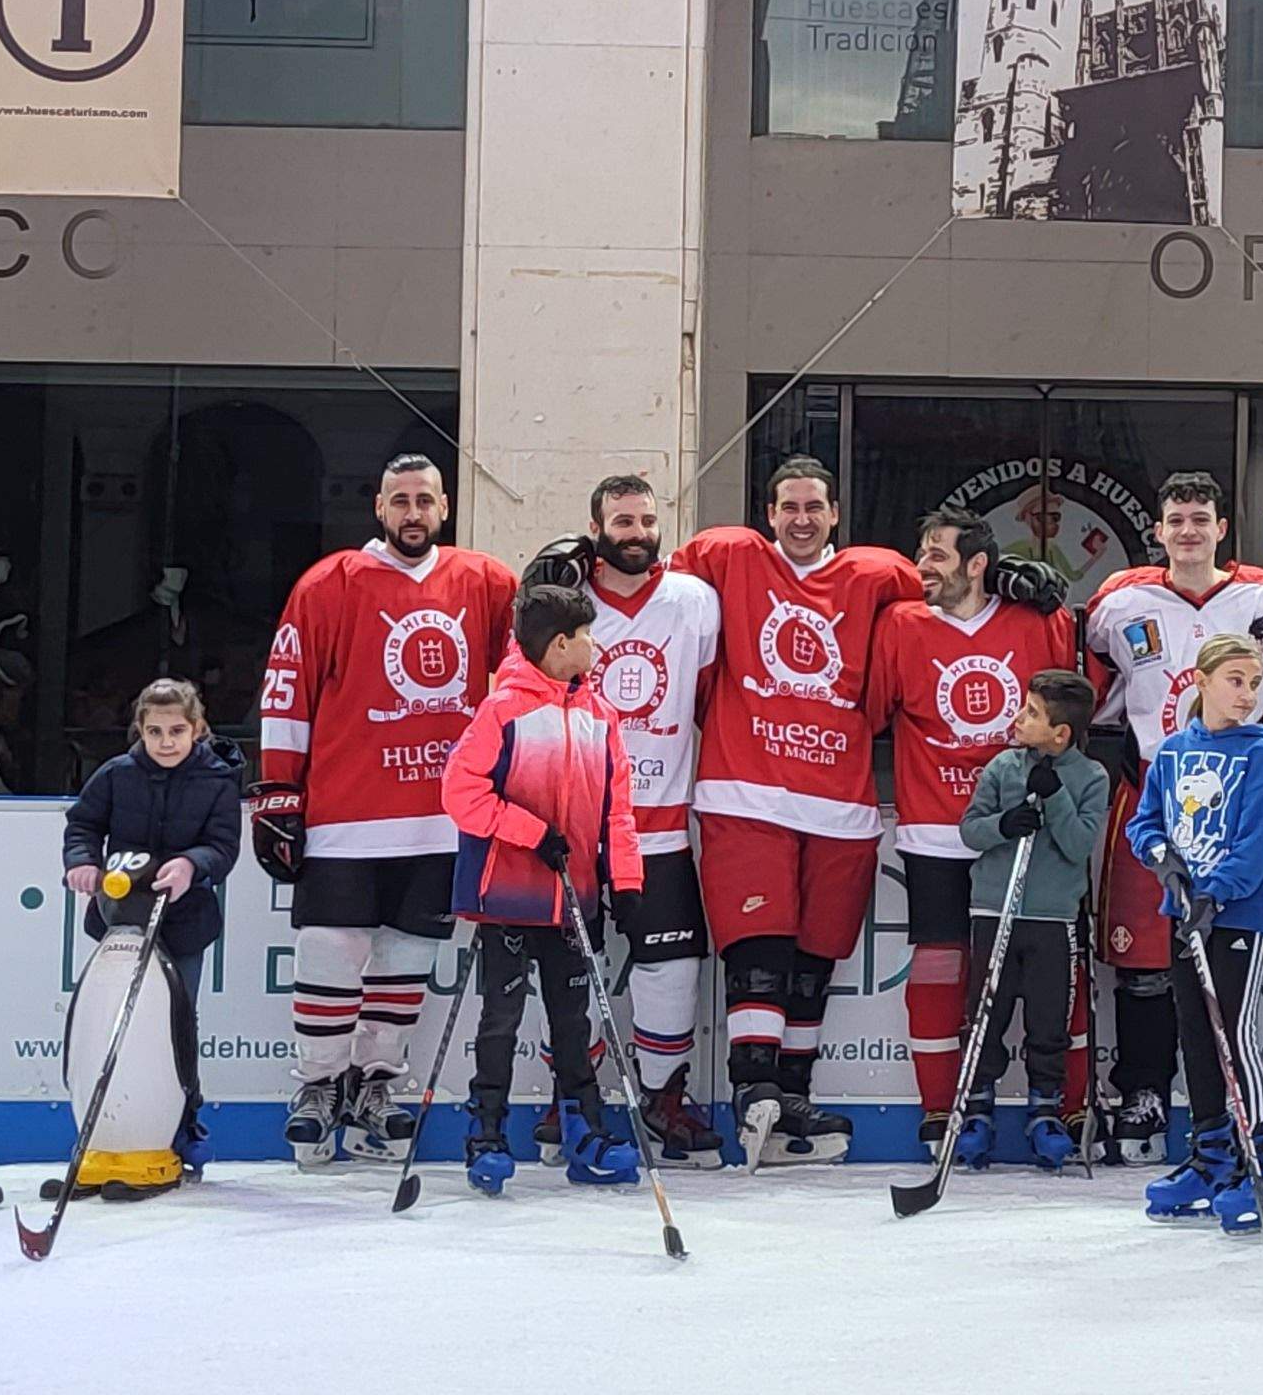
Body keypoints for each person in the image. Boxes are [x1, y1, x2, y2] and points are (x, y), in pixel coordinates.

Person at [651, 455, 1060, 1162]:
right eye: (789, 507)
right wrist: (583, 563)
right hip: (746, 789)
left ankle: (790, 1096)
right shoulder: (730, 554)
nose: (802, 519)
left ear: (836, 514)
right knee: (763, 949)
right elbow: (657, 587)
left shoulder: (878, 574)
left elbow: (949, 587)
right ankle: (754, 1090)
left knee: (815, 957)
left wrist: (1015, 579)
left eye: (815, 507)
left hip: (841, 804)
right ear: (769, 513)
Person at [252, 453, 520, 1167]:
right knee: (330, 954)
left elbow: (527, 667)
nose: (412, 513)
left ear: (444, 506)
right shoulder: (329, 582)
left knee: (406, 959)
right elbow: (288, 687)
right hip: (345, 815)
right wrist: (280, 789)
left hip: (440, 818)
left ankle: (375, 1085)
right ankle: (317, 1086)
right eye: (399, 500)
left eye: (424, 500)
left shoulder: (486, 580)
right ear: (379, 507)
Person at [1084, 469, 1263, 1159]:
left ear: (1223, 529)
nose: (1188, 531)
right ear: (1158, 530)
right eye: (1176, 520)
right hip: (1156, 793)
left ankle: (1233, 1131)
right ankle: (1143, 1091)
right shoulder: (1119, 603)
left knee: (1218, 978)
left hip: (1237, 800)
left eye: (1201, 519)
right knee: (1146, 963)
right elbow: (1094, 690)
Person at [527, 475, 729, 1161]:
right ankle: (574, 1099)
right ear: (596, 527)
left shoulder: (694, 601)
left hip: (659, 822)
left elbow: (702, 690)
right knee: (566, 965)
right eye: (622, 520)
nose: (637, 531)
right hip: (573, 820)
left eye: (646, 519)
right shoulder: (565, 600)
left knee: (671, 962)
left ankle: (661, 1095)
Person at [875, 505, 1086, 1144]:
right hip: (937, 828)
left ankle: (1064, 1103)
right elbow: (870, 714)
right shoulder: (901, 623)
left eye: (937, 555)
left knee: (1053, 970)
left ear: (977, 564)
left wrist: (1063, 605)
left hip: (1034, 830)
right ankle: (944, 1107)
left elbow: (1077, 700)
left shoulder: (1037, 621)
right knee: (942, 967)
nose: (922, 567)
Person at [436, 584, 648, 1191]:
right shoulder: (502, 710)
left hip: (574, 899)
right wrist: (531, 832)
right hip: (509, 896)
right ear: (561, 645)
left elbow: (618, 809)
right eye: (586, 635)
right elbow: (462, 794)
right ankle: (487, 1133)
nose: (595, 644)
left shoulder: (597, 715)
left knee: (573, 1021)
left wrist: (625, 881)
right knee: (500, 1020)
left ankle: (587, 1132)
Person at [1135, 633, 1263, 1231]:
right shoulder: (1173, 752)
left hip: (1238, 919)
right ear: (1200, 682)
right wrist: (1160, 856)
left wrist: (1214, 891)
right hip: (1184, 917)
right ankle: (1211, 1153)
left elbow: (1255, 846)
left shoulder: (1261, 753)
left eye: (1254, 682)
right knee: (1197, 1036)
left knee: (1235, 1034)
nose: (1247, 694)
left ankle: (1259, 1164)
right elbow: (1145, 822)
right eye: (1234, 680)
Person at [63, 679, 243, 1181]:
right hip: (119, 922)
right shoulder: (117, 775)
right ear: (139, 730)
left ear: (197, 729)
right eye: (155, 731)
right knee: (111, 1021)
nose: (166, 742)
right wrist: (82, 862)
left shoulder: (217, 780)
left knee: (174, 1022)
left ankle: (183, 1126)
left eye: (177, 731)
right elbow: (83, 825)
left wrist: (191, 864)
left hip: (183, 925)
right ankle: (104, 1128)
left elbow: (223, 846)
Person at [952, 668, 1110, 1173]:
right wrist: (1004, 824)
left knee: (1048, 1019)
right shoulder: (1002, 767)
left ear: (1061, 734)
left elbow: (1080, 844)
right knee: (985, 1014)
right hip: (995, 910)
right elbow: (970, 831)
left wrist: (1055, 794)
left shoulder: (1090, 777)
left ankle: (1046, 1107)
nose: (1019, 718)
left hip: (1052, 917)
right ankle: (976, 1105)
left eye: (1033, 714)